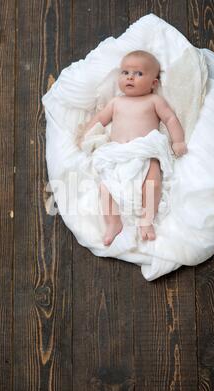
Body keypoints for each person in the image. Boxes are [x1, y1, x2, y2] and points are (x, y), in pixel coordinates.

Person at [78, 50, 188, 246]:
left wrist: (177, 141)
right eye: (125, 72)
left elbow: (170, 118)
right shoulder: (116, 102)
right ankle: (113, 223)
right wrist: (86, 133)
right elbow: (100, 119)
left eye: (138, 74)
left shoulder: (154, 100)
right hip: (117, 154)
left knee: (152, 184)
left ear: (154, 83)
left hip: (145, 151)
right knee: (105, 188)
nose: (130, 77)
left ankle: (146, 221)